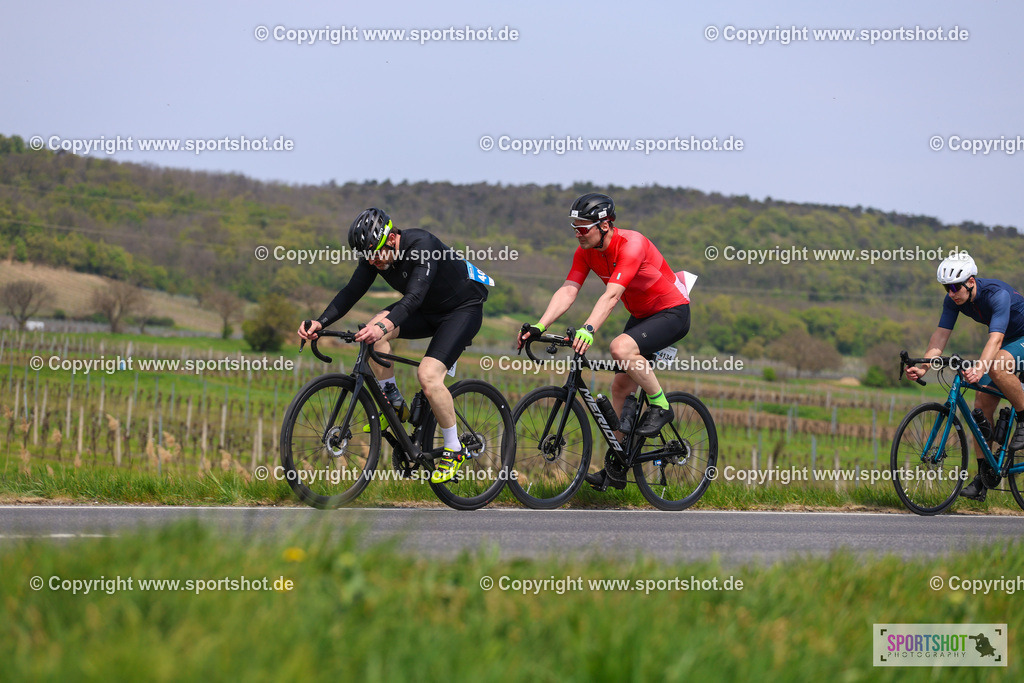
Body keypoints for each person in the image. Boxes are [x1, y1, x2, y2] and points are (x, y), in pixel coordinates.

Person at [298, 208, 491, 484]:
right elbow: (351, 292)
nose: (372, 262)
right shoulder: (374, 256)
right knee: (372, 333)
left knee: (428, 375)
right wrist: (320, 321)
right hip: (426, 310)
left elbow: (413, 298)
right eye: (367, 257)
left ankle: (454, 448)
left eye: (375, 254)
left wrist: (383, 326)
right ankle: (395, 402)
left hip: (461, 310)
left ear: (390, 238)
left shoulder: (422, 246)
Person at [517, 193, 691, 491]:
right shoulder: (585, 251)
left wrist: (588, 329)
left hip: (671, 312)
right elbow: (569, 289)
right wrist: (540, 325)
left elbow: (611, 296)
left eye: (583, 228)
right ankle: (618, 466)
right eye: (574, 226)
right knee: (620, 387)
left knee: (620, 348)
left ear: (605, 225)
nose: (577, 233)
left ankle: (661, 406)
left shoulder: (632, 244)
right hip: (642, 315)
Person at [906, 252, 1024, 501]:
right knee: (981, 404)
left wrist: (980, 368)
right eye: (946, 288)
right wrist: (924, 367)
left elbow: (996, 340)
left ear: (971, 281)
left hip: (1018, 338)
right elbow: (940, 336)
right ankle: (984, 476)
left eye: (954, 287)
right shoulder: (954, 300)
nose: (951, 293)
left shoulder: (997, 295)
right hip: (1008, 341)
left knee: (996, 367)